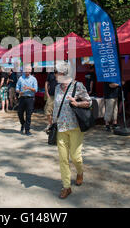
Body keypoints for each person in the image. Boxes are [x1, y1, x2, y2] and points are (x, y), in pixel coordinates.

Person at [52, 61, 91, 199]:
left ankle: (79, 171)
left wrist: (77, 103)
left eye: (57, 72)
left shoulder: (78, 86)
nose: (55, 74)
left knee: (75, 157)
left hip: (75, 127)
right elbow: (56, 107)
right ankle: (66, 186)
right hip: (61, 128)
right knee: (63, 159)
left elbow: (89, 102)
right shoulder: (57, 88)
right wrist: (52, 123)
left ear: (64, 73)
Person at [16, 65, 38, 136]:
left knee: (28, 115)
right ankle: (23, 123)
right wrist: (19, 92)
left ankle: (27, 130)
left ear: (31, 71)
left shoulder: (33, 79)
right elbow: (17, 88)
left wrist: (28, 88)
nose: (27, 71)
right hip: (22, 98)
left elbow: (35, 90)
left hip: (30, 98)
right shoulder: (21, 78)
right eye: (26, 69)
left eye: (28, 70)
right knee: (20, 113)